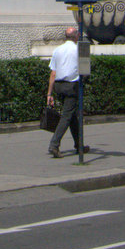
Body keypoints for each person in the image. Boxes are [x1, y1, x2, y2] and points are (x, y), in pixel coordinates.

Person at [45, 25, 84, 158]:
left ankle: (79, 145)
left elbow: (53, 73)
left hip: (59, 86)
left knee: (71, 115)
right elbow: (85, 70)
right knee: (67, 116)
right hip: (71, 86)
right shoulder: (79, 50)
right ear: (76, 36)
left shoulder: (58, 50)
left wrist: (49, 93)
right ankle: (54, 144)